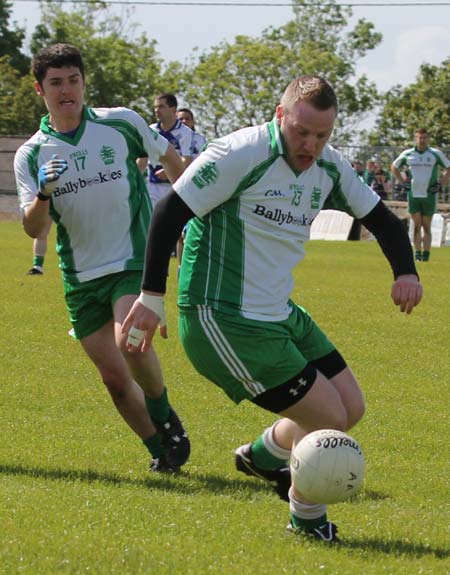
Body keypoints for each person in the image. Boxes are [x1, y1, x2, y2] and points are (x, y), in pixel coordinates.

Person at [122, 76, 423, 542]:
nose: (311, 144)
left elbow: (383, 220)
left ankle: (262, 457)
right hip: (220, 316)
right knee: (328, 418)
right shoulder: (241, 154)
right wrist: (150, 297)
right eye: (302, 132)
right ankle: (306, 521)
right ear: (280, 116)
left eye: (322, 135)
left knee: (351, 407)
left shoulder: (330, 168)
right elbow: (169, 213)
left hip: (278, 312)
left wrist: (406, 272)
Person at [14, 43, 190, 473]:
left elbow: (172, 161)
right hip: (79, 276)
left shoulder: (122, 123)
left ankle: (164, 414)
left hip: (133, 258)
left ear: (84, 82)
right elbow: (35, 229)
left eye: (73, 80)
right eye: (55, 83)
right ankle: (159, 451)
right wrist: (43, 194)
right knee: (113, 381)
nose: (66, 90)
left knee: (129, 339)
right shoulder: (32, 154)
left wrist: (190, 212)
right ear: (41, 90)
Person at [391, 128, 450, 262]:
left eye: (424, 137)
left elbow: (449, 167)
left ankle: (426, 255)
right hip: (414, 194)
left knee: (426, 225)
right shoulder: (408, 154)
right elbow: (394, 167)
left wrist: (441, 183)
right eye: (419, 137)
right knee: (417, 225)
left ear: (428, 139)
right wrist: (402, 182)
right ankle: (417, 255)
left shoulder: (435, 154)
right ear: (415, 139)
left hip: (429, 195)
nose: (422, 140)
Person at [144, 93, 194, 207]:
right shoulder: (151, 130)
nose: (157, 110)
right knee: (151, 222)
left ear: (173, 109)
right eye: (155, 107)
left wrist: (168, 171)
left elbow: (187, 160)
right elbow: (143, 158)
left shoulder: (185, 132)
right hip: (152, 187)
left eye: (161, 106)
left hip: (174, 187)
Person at [176, 107, 208, 271]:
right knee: (178, 235)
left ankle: (192, 266)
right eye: (180, 119)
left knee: (188, 232)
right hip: (171, 187)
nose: (183, 122)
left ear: (193, 121)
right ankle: (181, 267)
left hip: (194, 189)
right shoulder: (169, 138)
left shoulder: (200, 140)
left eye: (187, 119)